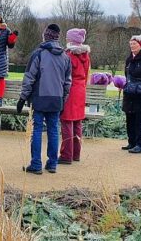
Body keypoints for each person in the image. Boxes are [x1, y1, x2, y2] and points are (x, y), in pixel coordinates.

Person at [17, 24, 72, 174]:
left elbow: (29, 78)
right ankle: (52, 163)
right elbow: (68, 82)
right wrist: (63, 99)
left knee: (36, 130)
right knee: (53, 131)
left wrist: (22, 98)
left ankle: (36, 164)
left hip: (39, 98)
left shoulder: (38, 54)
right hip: (56, 99)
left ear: (45, 36)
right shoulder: (65, 57)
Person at [58, 28, 90, 164]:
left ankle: (66, 155)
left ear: (71, 40)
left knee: (66, 121)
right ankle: (76, 153)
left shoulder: (69, 55)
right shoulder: (86, 55)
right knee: (77, 122)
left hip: (71, 89)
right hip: (81, 89)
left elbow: (64, 75)